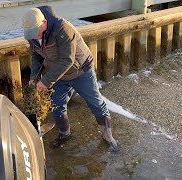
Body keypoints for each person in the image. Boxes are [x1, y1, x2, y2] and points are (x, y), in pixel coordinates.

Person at [22, 6, 118, 151]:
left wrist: (46, 81)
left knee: (96, 103)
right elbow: (36, 56)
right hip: (58, 75)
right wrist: (34, 77)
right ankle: (64, 134)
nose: (35, 37)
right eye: (32, 35)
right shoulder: (33, 36)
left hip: (81, 71)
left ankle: (108, 136)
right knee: (57, 105)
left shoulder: (63, 29)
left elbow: (67, 60)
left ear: (44, 22)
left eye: (37, 33)